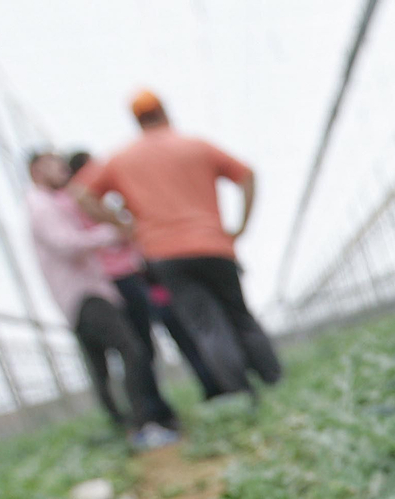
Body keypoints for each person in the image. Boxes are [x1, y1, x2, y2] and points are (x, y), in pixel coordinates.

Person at [74, 91, 282, 394]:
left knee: (206, 325)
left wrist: (124, 226)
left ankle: (239, 391)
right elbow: (246, 175)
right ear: (164, 112)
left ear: (137, 120)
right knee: (240, 316)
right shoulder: (194, 146)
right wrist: (240, 227)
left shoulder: (121, 158)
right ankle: (274, 379)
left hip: (164, 254)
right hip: (214, 245)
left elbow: (82, 195)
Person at [24, 150, 180, 449]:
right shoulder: (41, 207)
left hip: (84, 293)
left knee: (101, 366)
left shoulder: (49, 204)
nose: (60, 169)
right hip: (83, 294)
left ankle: (125, 429)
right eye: (51, 164)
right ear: (36, 171)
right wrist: (109, 233)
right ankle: (142, 426)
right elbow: (66, 244)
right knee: (131, 349)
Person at [66, 150, 228, 400]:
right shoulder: (79, 206)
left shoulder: (104, 203)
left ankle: (213, 385)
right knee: (141, 347)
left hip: (143, 275)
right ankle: (156, 407)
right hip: (120, 281)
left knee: (180, 329)